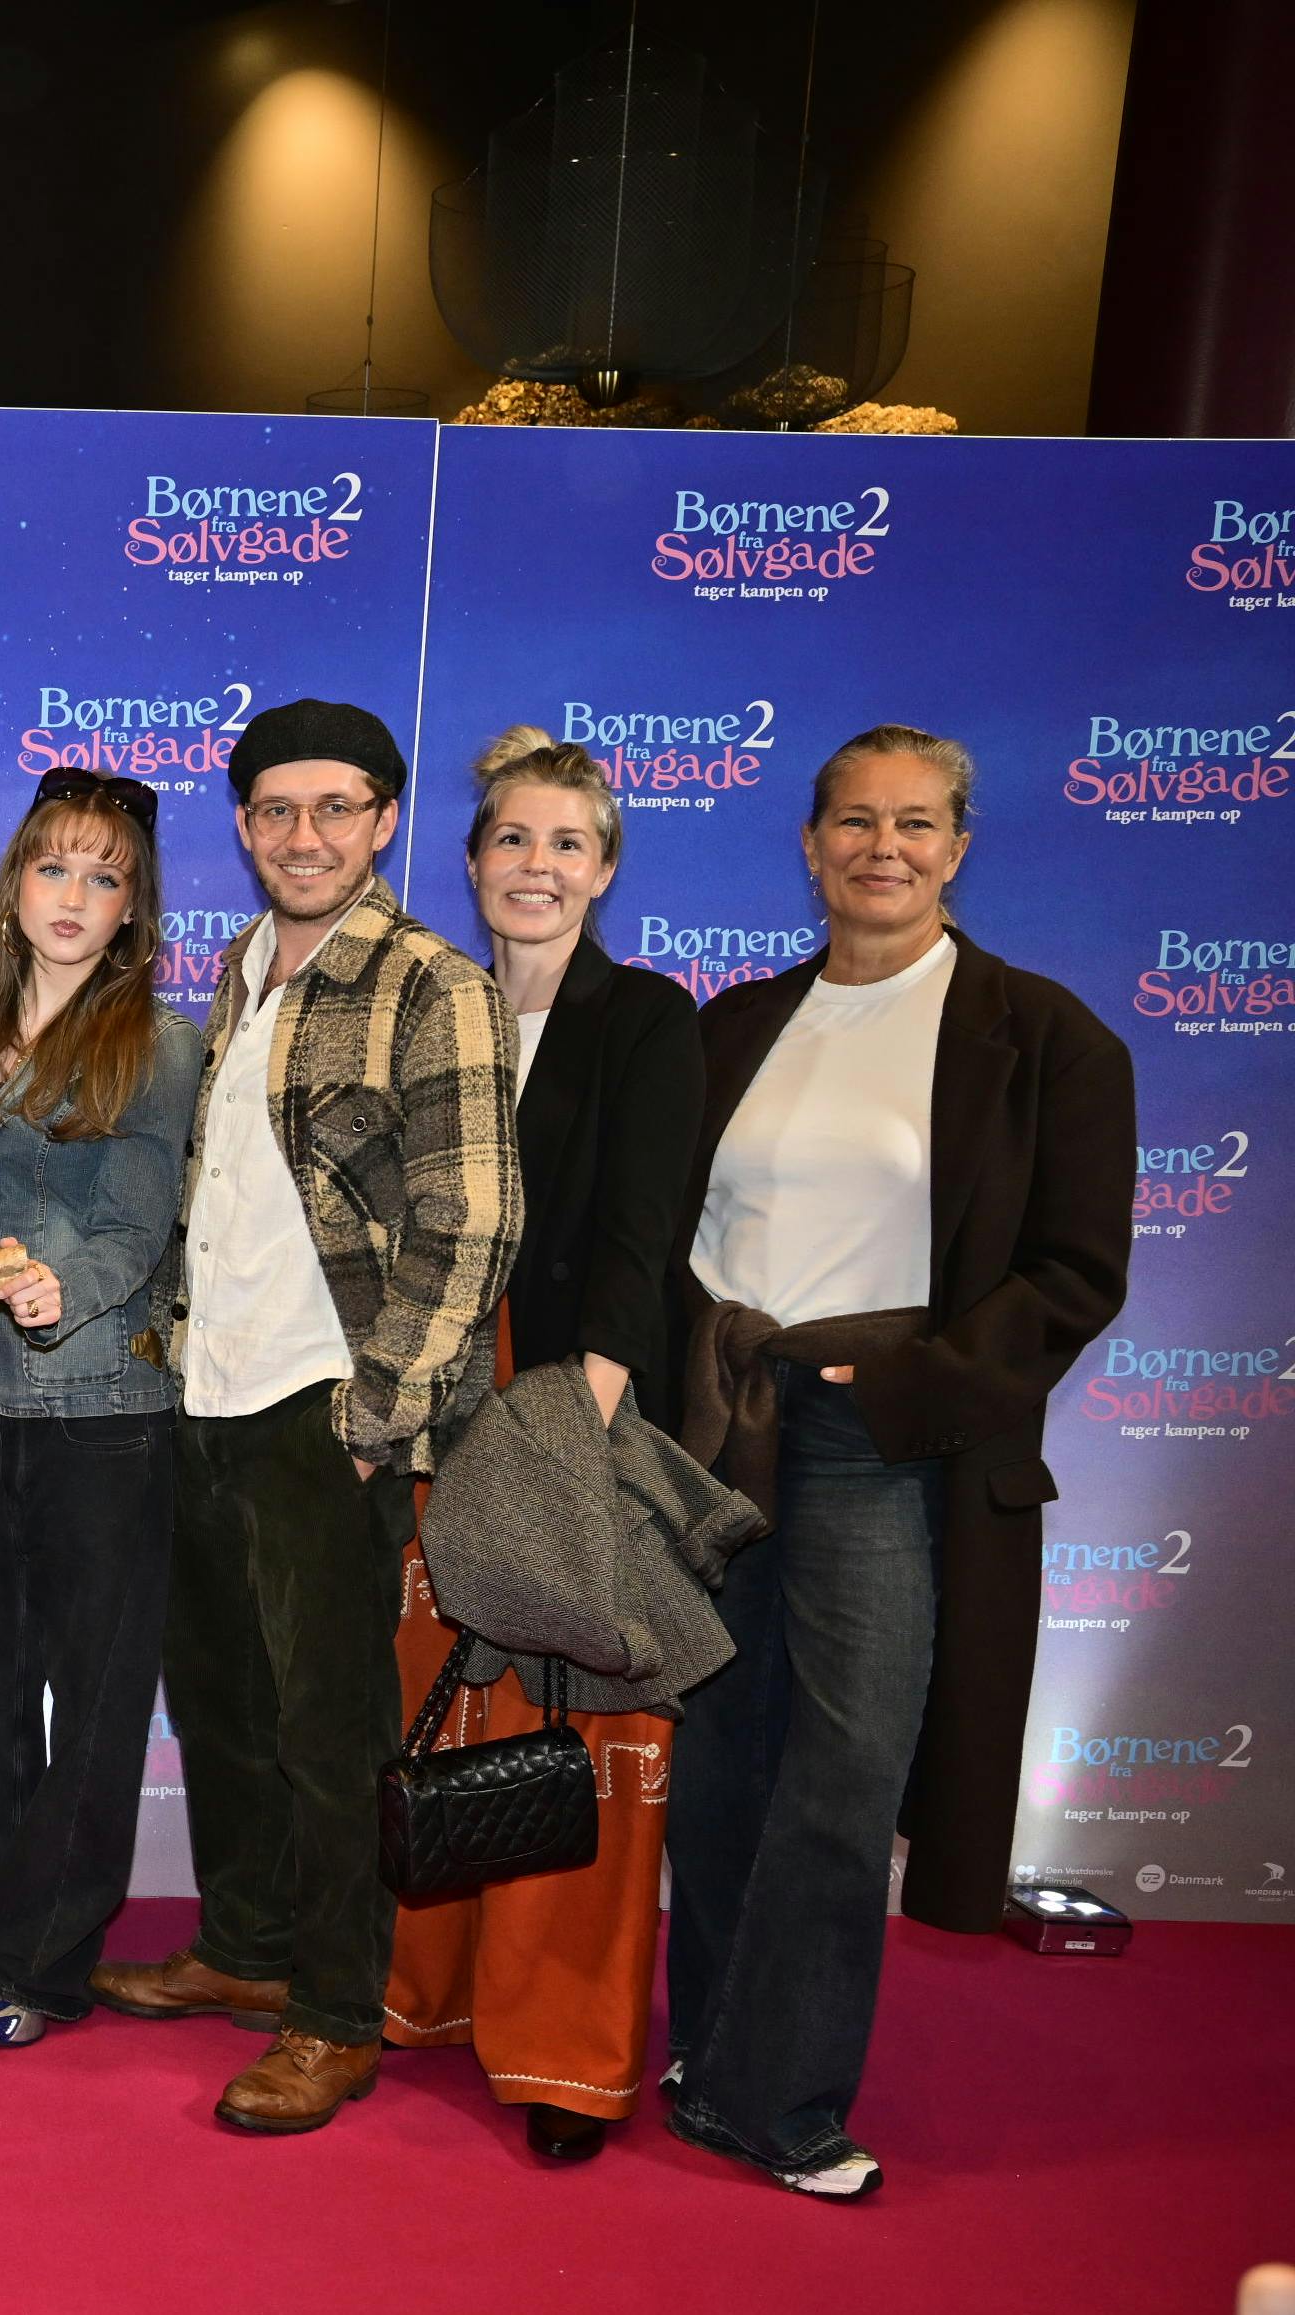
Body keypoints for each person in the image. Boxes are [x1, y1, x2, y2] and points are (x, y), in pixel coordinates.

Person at [664, 726, 1130, 2198]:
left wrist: (904, 1378)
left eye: (916, 823)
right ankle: (715, 2049)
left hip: (887, 1441)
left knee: (847, 1765)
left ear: (960, 847)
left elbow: (1073, 1270)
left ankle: (783, 2097)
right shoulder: (734, 1022)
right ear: (808, 846)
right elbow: (675, 1220)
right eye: (854, 821)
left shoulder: (1046, 1036)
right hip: (724, 1426)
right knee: (725, 1755)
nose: (885, 846)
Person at [87, 698, 519, 2136]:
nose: (305, 835)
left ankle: (337, 2009)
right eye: (276, 811)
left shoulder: (430, 979)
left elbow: (472, 1222)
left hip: (324, 1402)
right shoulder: (247, 963)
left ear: (385, 819)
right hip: (207, 1386)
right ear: (246, 823)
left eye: (336, 808)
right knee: (221, 1700)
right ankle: (250, 1946)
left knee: (332, 1729)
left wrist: (378, 1410)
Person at [374, 733, 706, 2160]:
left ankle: (563, 2053)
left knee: (580, 1721)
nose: (537, 865)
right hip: (427, 1396)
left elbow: (648, 1229)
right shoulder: (419, 1003)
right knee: (435, 1695)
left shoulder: (646, 1019)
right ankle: (423, 1994)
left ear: (609, 866)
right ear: (469, 858)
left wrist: (586, 1419)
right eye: (513, 837)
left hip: (573, 1399)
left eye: (569, 842)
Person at [0, 770, 206, 2049]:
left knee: (91, 1693)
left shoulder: (161, 1041)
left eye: (105, 876)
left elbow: (136, 1225)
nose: (75, 896)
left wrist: (48, 1288)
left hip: (99, 1399)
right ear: (14, 883)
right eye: (55, 868)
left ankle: (47, 1958)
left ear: (133, 909)